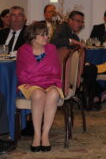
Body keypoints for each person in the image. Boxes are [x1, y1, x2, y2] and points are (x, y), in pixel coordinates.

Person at [16, 22, 63, 152]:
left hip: (50, 82)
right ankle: (36, 134)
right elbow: (23, 73)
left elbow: (54, 70)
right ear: (32, 37)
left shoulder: (51, 48)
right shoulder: (23, 50)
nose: (46, 37)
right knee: (38, 94)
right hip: (30, 84)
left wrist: (39, 74)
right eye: (42, 35)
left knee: (53, 94)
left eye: (46, 34)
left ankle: (45, 134)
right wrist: (39, 76)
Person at [50, 11, 98, 110]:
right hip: (60, 67)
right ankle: (88, 101)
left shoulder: (74, 35)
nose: (80, 24)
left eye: (82, 22)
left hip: (71, 66)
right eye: (78, 21)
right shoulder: (63, 27)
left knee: (92, 69)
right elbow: (53, 42)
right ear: (70, 20)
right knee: (92, 70)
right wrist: (72, 41)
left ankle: (89, 99)